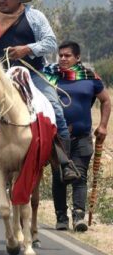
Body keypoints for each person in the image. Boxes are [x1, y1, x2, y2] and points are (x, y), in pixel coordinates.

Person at [0, 0, 77, 181]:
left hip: (32, 75)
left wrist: (27, 49)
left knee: (54, 108)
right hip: (1, 79)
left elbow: (50, 42)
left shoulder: (35, 17)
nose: (0, 1)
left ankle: (65, 161)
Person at [46, 41, 111, 232]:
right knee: (59, 176)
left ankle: (78, 217)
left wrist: (104, 125)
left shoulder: (91, 78)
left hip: (82, 136)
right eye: (61, 55)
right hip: (57, 138)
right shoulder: (50, 76)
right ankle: (61, 218)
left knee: (80, 176)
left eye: (68, 55)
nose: (63, 59)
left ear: (78, 58)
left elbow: (106, 101)